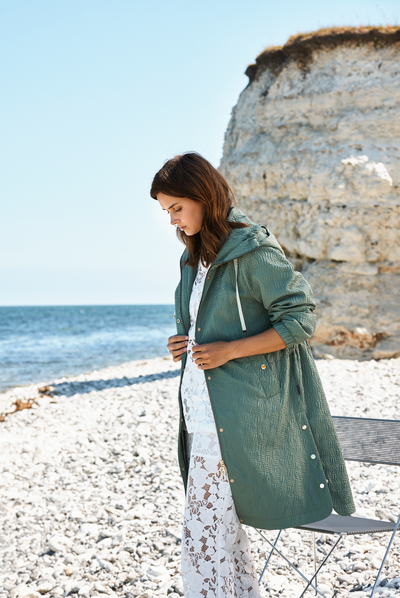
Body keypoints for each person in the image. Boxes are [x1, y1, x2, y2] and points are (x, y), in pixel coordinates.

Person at [150, 152, 355, 598]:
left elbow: (300, 318)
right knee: (219, 545)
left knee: (203, 550)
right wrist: (180, 343)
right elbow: (201, 328)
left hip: (239, 419)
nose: (171, 221)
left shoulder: (253, 248)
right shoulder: (192, 261)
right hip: (201, 418)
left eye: (176, 208)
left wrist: (230, 351)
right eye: (166, 212)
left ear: (204, 196)